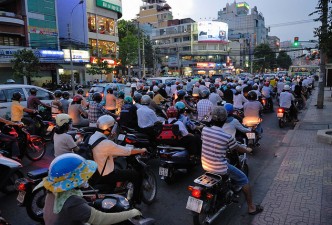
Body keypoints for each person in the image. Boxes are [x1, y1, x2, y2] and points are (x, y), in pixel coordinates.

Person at [43, 153, 141, 225]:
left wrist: (88, 199)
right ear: (73, 179)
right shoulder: (73, 202)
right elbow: (100, 218)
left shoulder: (53, 190)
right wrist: (130, 213)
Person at [201, 106, 263, 215]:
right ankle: (252, 208)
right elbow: (236, 147)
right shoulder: (227, 136)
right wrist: (247, 150)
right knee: (244, 179)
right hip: (219, 168)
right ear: (225, 119)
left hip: (205, 165)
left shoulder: (204, 130)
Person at [88, 115, 146, 205]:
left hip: (95, 173)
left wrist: (110, 138)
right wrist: (141, 150)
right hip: (106, 175)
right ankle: (135, 201)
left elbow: (105, 148)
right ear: (108, 128)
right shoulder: (107, 144)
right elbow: (127, 151)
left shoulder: (92, 137)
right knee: (135, 175)